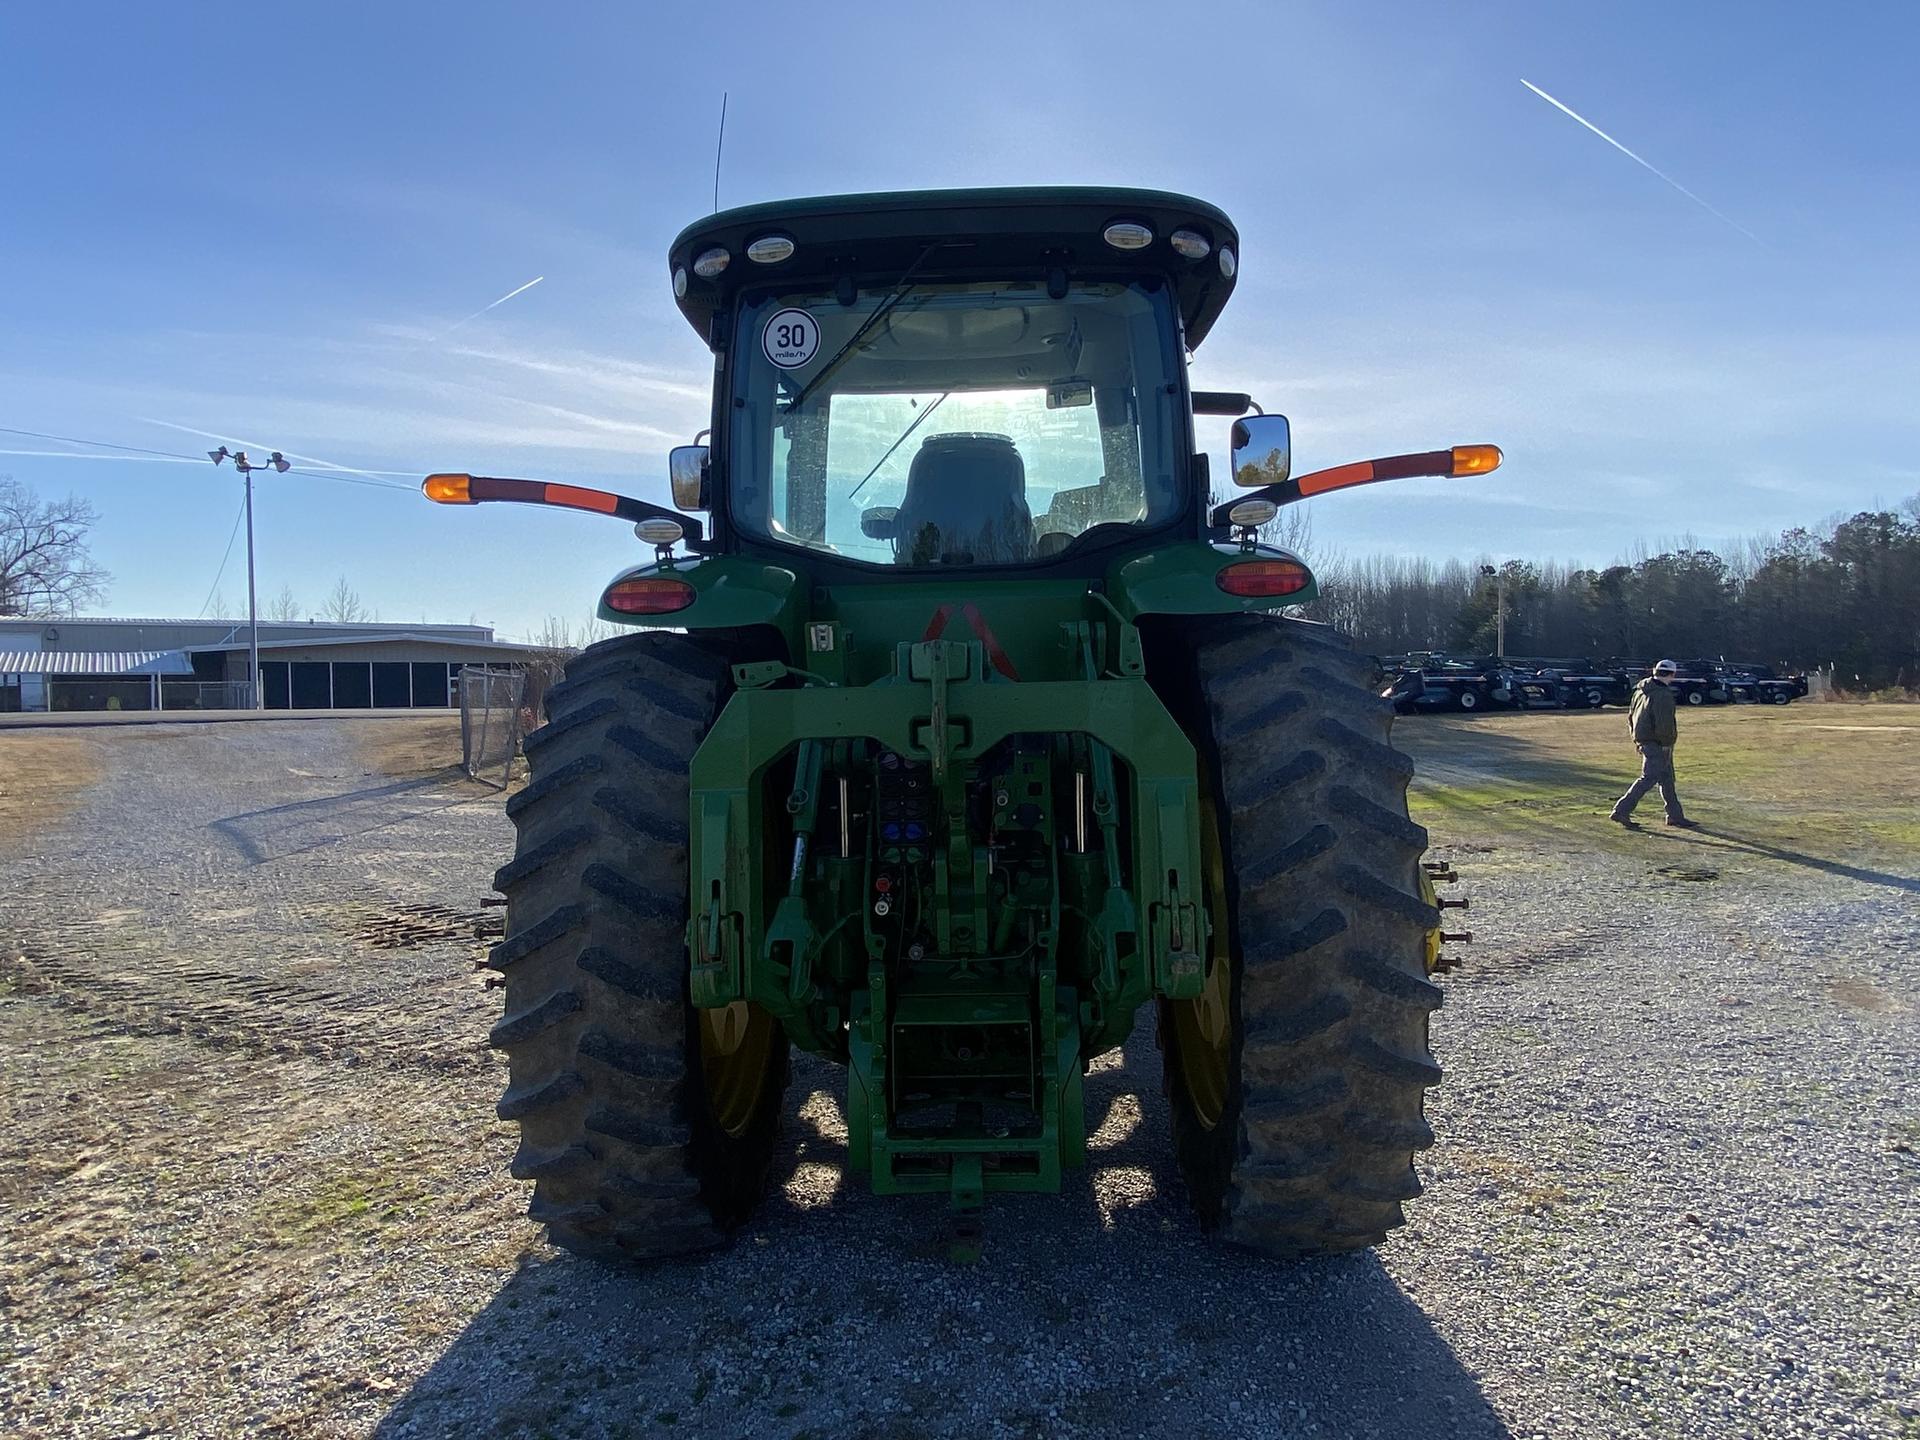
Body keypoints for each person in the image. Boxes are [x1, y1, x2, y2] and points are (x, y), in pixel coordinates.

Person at [1609, 659, 1699, 829]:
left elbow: (1631, 717)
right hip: (1657, 743)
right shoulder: (1663, 694)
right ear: (1672, 674)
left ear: (1655, 671)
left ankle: (1675, 815)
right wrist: (1667, 744)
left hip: (1644, 739)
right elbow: (1664, 724)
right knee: (1649, 778)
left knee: (1667, 779)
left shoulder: (1641, 690)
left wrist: (1636, 739)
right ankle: (1621, 810)